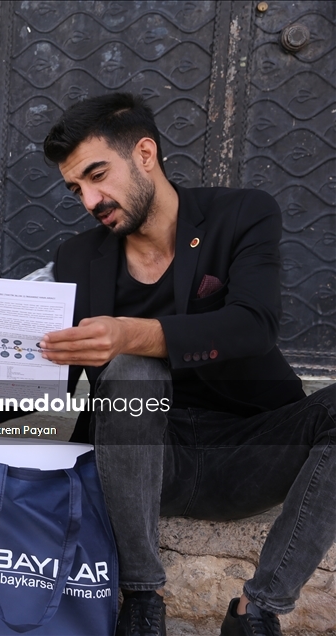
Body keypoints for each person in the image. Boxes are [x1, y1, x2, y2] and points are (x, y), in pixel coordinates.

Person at [38, 92, 334, 636]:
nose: (89, 199)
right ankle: (143, 600)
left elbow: (254, 322)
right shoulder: (78, 259)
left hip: (252, 450)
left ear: (145, 154)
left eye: (98, 175)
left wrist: (134, 332)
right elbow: (55, 380)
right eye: (76, 188)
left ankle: (258, 610)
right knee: (131, 372)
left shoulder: (242, 214)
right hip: (149, 460)